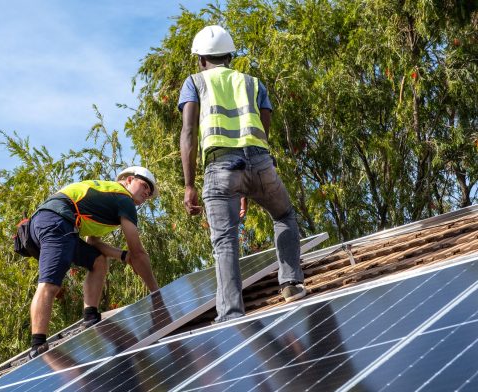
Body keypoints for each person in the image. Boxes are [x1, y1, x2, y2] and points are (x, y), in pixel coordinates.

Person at [178, 25, 307, 323]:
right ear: (230, 56)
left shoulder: (195, 82)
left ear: (201, 59)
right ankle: (290, 282)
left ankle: (231, 313)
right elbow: (263, 128)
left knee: (225, 240)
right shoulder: (253, 83)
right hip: (260, 163)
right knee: (284, 215)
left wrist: (189, 185)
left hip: (221, 168)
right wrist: (250, 184)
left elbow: (188, 132)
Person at [26, 166, 161, 358]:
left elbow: (94, 244)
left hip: (49, 222)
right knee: (50, 284)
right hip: (56, 222)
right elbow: (138, 252)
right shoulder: (124, 199)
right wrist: (157, 294)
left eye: (150, 193)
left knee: (97, 261)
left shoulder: (105, 198)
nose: (147, 193)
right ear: (129, 180)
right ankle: (37, 345)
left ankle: (90, 316)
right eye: (145, 185)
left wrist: (123, 256)